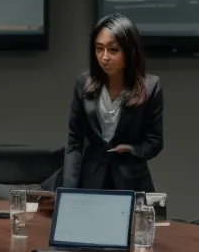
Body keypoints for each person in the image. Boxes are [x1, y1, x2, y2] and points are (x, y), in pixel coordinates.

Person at [63, 14, 165, 192]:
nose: (104, 57)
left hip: (131, 181)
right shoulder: (83, 83)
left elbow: (154, 142)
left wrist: (132, 149)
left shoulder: (150, 87)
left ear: (129, 50)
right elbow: (74, 143)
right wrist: (68, 189)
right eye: (99, 49)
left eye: (113, 50)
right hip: (91, 180)